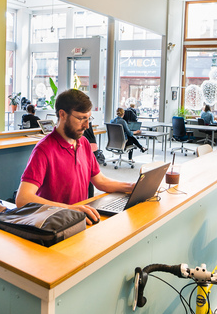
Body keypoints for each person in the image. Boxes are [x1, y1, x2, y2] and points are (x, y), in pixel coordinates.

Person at [16, 89, 136, 225]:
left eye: (88, 119)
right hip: (56, 223)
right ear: (63, 115)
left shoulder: (83, 143)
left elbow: (100, 181)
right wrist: (69, 209)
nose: (86, 125)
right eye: (81, 119)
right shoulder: (44, 149)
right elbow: (22, 198)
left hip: (80, 219)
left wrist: (132, 186)